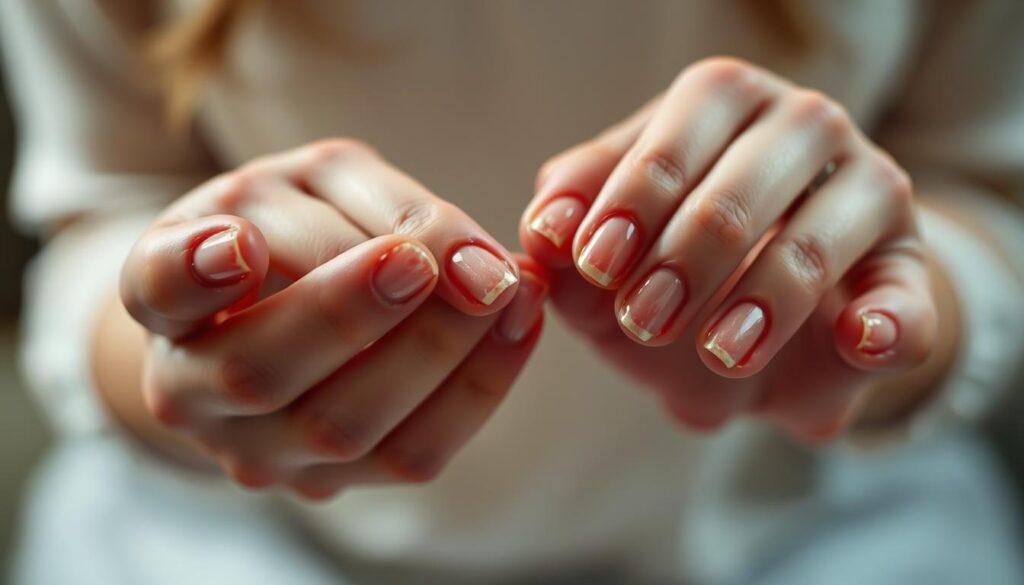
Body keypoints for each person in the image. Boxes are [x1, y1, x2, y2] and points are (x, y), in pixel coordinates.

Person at [3, 1, 1023, 583]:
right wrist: (181, 368)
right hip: (225, 550)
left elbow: (983, 184)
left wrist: (877, 332)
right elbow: (101, 202)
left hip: (819, 543)